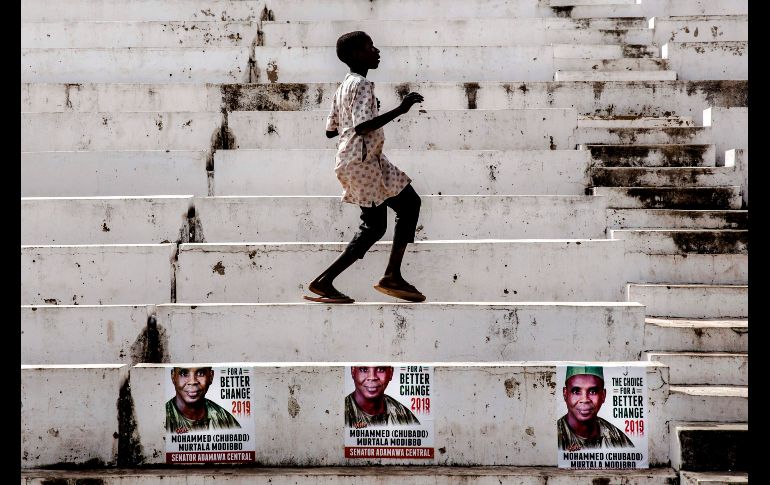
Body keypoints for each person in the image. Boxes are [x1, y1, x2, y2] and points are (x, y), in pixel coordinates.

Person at [303, 31, 426, 304]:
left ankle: (391, 274)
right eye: (370, 46)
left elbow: (331, 131)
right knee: (374, 226)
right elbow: (361, 127)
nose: (377, 50)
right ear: (357, 54)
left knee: (408, 205)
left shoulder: (344, 86)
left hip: (362, 160)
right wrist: (400, 109)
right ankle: (327, 281)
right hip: (362, 162)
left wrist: (371, 112)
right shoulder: (361, 85)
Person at [557, 365, 634, 451]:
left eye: (592, 391)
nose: (585, 399)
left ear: (603, 395)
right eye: (576, 391)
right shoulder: (552, 436)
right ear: (565, 394)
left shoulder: (617, 438)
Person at [165, 366, 241, 432]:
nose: (192, 381)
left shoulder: (225, 418)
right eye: (184, 373)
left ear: (211, 376)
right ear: (173, 377)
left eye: (200, 373)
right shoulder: (162, 417)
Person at [345, 366, 420, 427]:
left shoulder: (404, 414)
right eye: (364, 369)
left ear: (391, 372)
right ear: (353, 371)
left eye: (380, 369)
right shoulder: (340, 413)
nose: (372, 377)